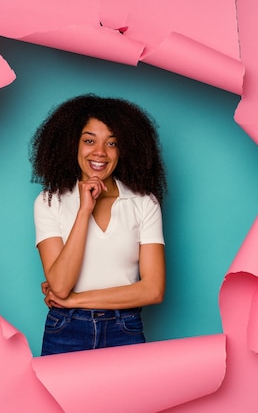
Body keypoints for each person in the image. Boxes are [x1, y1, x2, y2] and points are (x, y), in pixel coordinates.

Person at [29, 94, 167, 356]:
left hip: (124, 329)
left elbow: (153, 289)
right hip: (66, 330)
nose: (100, 152)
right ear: (72, 144)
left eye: (112, 142)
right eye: (89, 140)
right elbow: (59, 286)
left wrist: (76, 300)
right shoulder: (49, 201)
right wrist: (84, 211)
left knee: (133, 399)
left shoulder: (144, 203)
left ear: (123, 150)